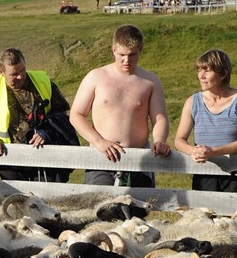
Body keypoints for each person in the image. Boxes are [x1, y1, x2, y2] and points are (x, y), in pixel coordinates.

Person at [69, 24, 170, 187]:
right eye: (122, 54)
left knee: (138, 210)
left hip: (138, 158)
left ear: (141, 50)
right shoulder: (96, 77)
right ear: (113, 49)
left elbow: (160, 118)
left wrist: (159, 140)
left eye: (132, 55)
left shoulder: (150, 81)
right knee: (100, 207)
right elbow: (76, 115)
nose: (127, 60)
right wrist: (100, 142)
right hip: (100, 157)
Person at [0, 47, 78, 182]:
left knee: (46, 198)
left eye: (23, 70)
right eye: (14, 74)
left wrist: (47, 131)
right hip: (8, 157)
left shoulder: (42, 82)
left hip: (43, 154)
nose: (21, 76)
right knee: (15, 199)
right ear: (1, 72)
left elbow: (62, 111)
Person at [173, 49, 237, 194]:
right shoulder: (193, 101)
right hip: (204, 175)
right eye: (199, 70)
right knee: (203, 216)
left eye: (207, 71)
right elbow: (179, 139)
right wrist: (193, 151)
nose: (201, 76)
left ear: (223, 74)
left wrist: (213, 152)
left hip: (236, 174)